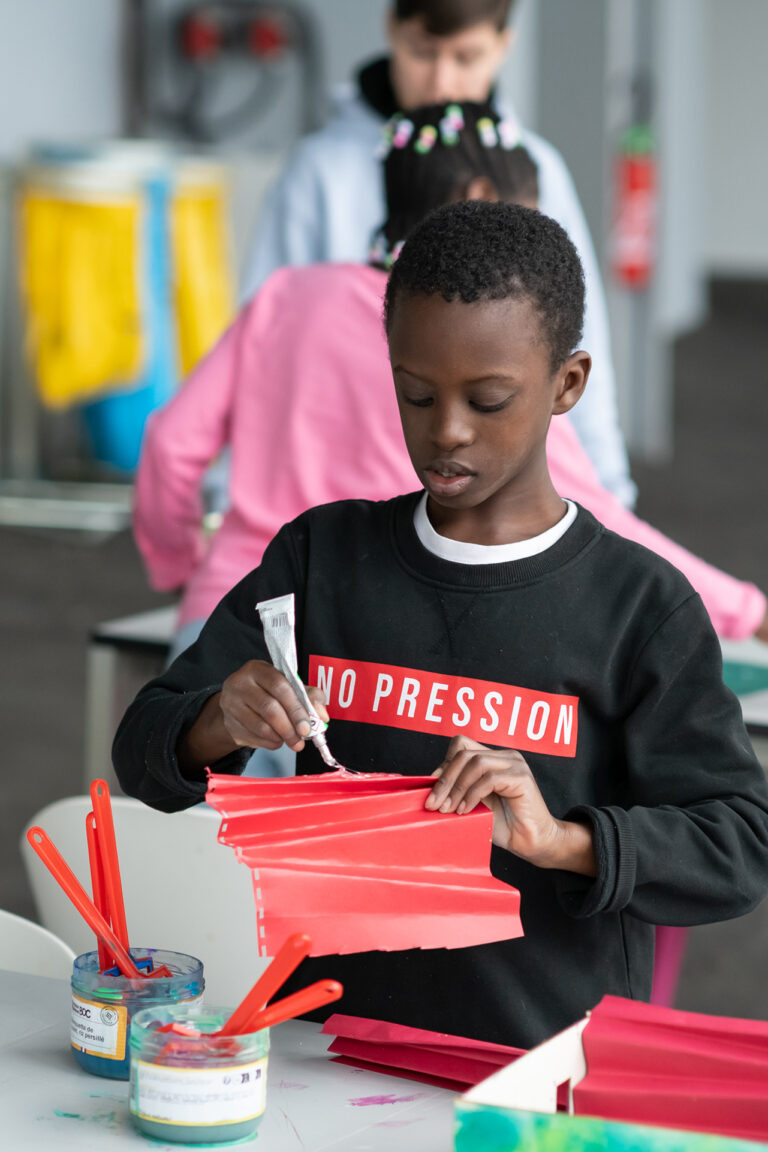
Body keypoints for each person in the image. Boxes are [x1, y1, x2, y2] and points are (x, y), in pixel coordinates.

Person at [114, 201, 768, 1050]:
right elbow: (142, 755)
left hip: (538, 1078)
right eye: (416, 394)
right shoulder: (323, 558)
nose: (446, 431)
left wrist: (563, 840)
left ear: (567, 384)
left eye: (488, 400)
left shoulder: (639, 607)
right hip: (328, 1056)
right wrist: (214, 722)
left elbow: (739, 846)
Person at [135, 102, 768, 679]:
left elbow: (170, 442)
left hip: (230, 603)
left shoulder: (284, 297)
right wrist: (746, 611)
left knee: (203, 791)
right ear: (480, 201)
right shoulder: (489, 357)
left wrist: (178, 567)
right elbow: (604, 518)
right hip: (367, 631)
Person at [243, 0, 636, 508]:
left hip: (488, 504)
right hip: (339, 501)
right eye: (423, 52)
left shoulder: (533, 171)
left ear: (503, 46)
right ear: (391, 30)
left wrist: (609, 494)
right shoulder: (321, 171)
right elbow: (258, 347)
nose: (442, 82)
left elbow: (577, 342)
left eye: (467, 57)